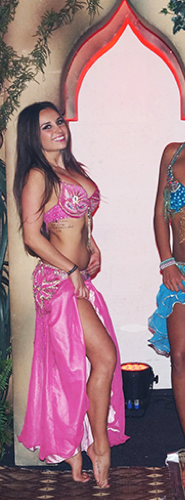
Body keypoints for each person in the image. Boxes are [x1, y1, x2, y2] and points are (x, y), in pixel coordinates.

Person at [14, 101, 126, 488]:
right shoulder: (36, 176)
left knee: (81, 367)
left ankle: (80, 446)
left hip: (76, 279)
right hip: (58, 280)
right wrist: (71, 267)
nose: (57, 129)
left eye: (58, 121)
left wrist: (91, 245)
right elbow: (32, 237)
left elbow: (77, 222)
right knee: (104, 357)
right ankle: (98, 445)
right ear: (33, 135)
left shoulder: (71, 170)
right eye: (46, 126)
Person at [149, 141, 185, 444]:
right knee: (180, 356)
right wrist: (167, 261)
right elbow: (161, 213)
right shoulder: (173, 154)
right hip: (180, 275)